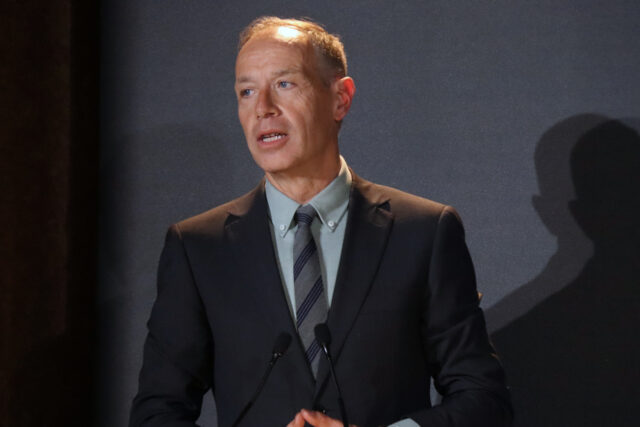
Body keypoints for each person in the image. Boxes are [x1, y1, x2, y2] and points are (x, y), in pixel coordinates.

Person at [130, 16, 512, 427]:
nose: (263, 109)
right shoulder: (199, 247)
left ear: (340, 99)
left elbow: (484, 401)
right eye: (246, 91)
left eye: (284, 84)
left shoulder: (423, 232)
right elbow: (156, 414)